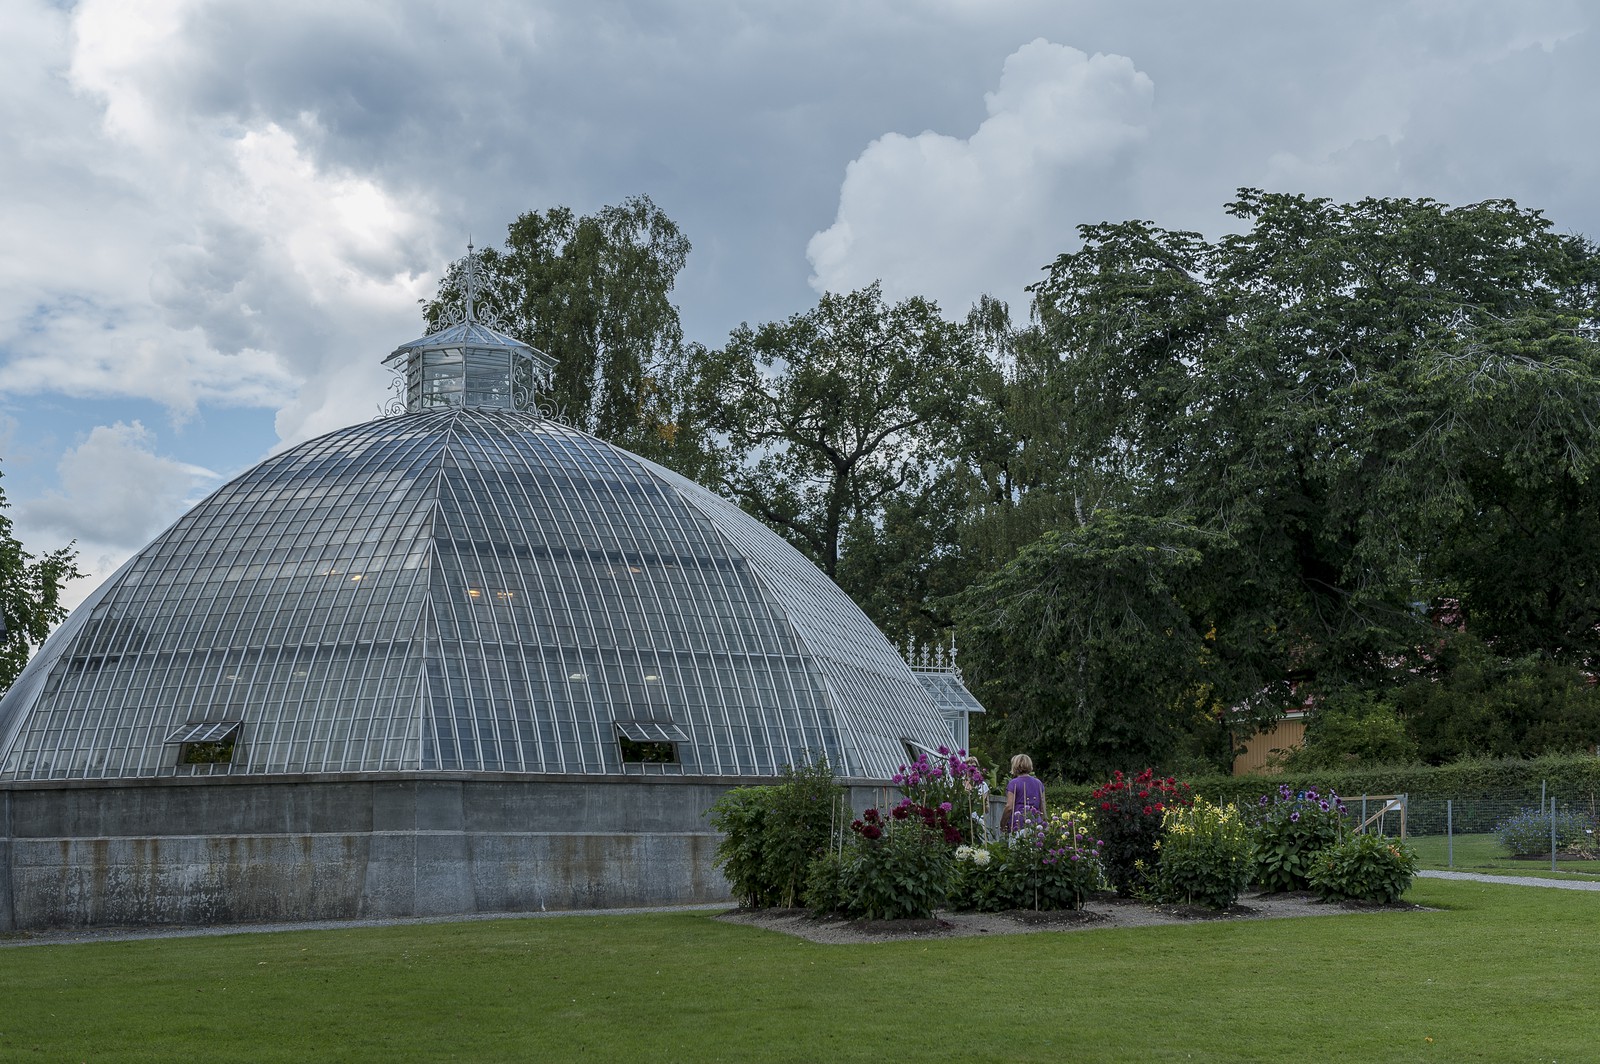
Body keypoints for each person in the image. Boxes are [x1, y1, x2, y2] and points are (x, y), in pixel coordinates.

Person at [1002, 753, 1045, 833]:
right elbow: (1042, 807)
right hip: (1036, 822)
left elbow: (1009, 807)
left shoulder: (1013, 783)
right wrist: (1044, 824)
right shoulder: (1038, 783)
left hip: (1018, 823)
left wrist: (1002, 824)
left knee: (1017, 844)